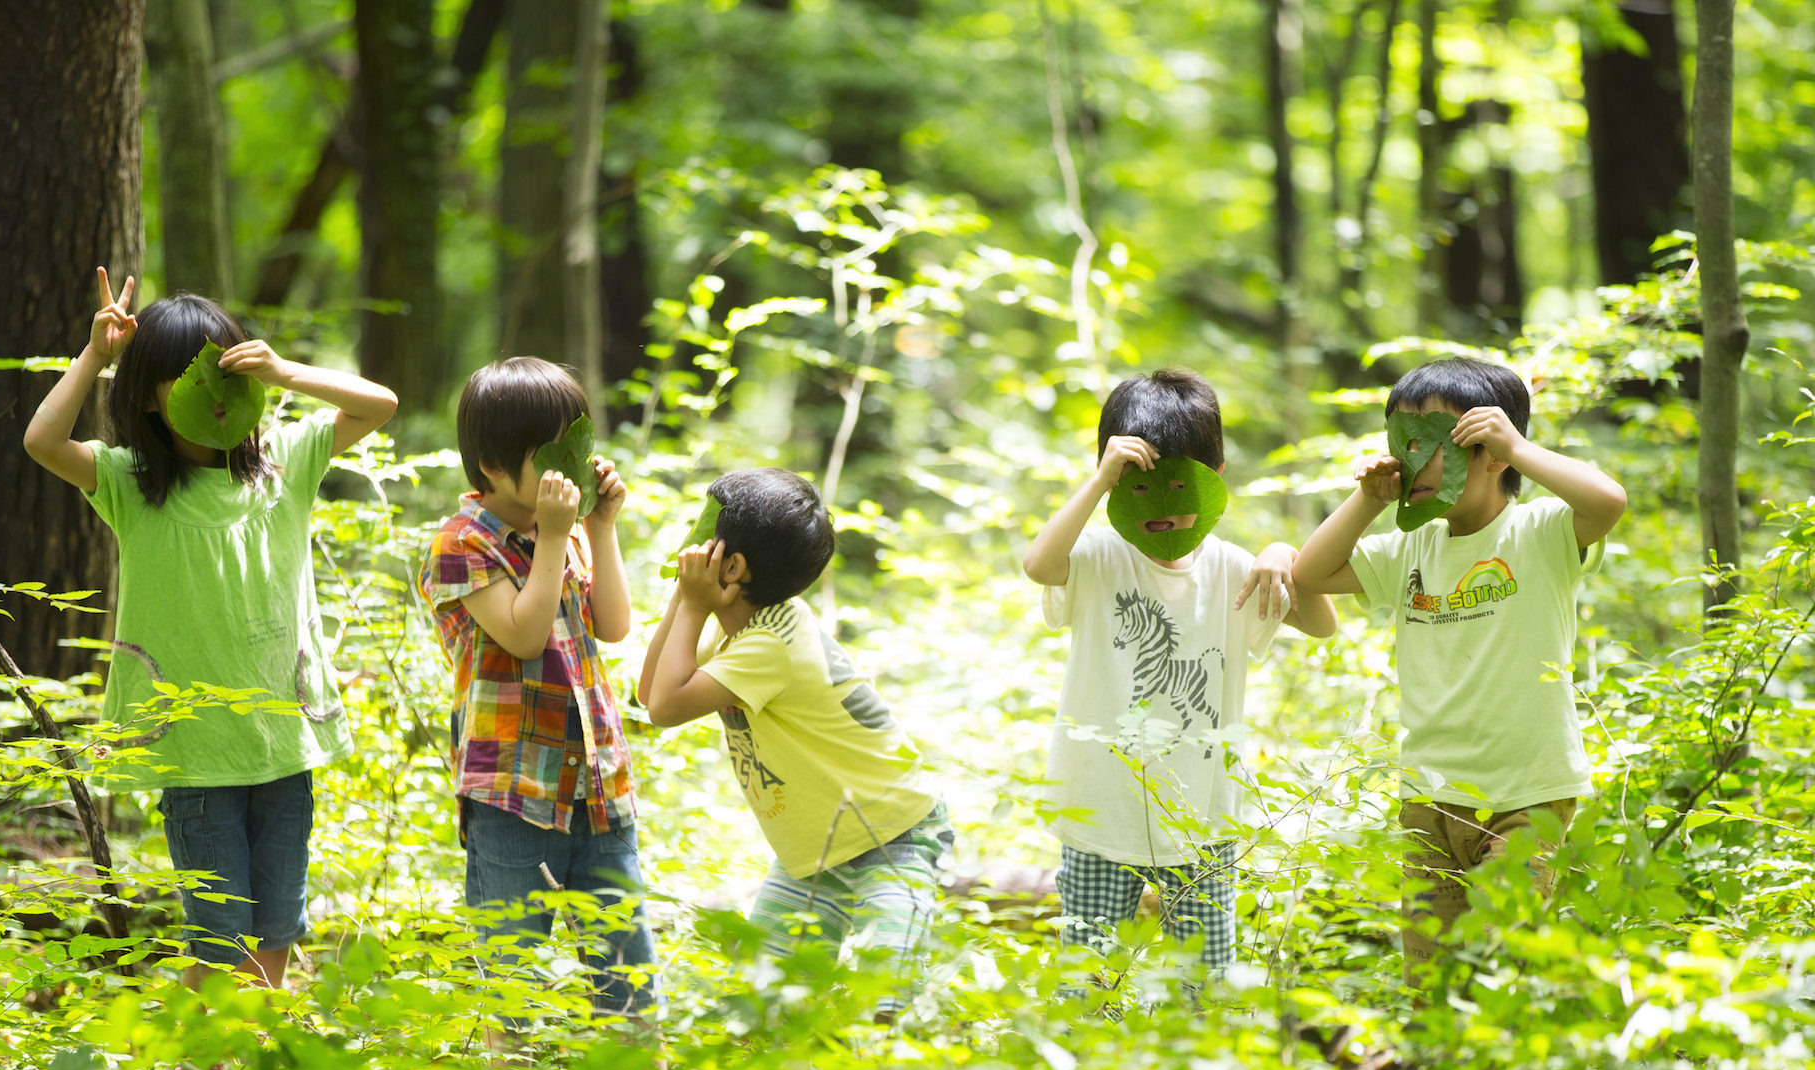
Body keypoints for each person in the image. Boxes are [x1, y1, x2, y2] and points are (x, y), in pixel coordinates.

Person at [23, 269, 398, 987]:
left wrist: (285, 370)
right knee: (217, 939)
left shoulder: (283, 464)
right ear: (149, 398)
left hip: (282, 745)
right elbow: (43, 440)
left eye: (225, 376)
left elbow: (380, 403)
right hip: (194, 756)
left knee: (278, 928)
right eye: (189, 380)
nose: (214, 397)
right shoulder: (130, 484)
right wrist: (95, 357)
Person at [1291, 356, 1626, 972]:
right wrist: (1367, 500)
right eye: (1401, 446)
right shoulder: (1411, 548)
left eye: (1432, 445)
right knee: (1432, 981)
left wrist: (1519, 447)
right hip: (1430, 798)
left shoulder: (1541, 532)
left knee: (1499, 964)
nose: (1413, 462)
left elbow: (1607, 500)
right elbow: (1308, 574)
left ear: (1489, 452)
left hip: (1529, 794)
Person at [1023, 369, 1336, 984]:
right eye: (1135, 486)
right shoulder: (1096, 558)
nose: (1160, 511)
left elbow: (1322, 624)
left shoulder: (1232, 569)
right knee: (1090, 978)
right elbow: (1040, 565)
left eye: (1177, 485)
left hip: (1202, 819)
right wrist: (1098, 482)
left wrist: (1282, 553)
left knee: (1206, 984)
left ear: (1213, 481)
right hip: (1099, 810)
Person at [638, 468, 952, 1016]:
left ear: (731, 566)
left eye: (702, 531)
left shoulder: (770, 645)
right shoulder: (745, 625)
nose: (690, 542)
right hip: (817, 849)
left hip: (893, 831)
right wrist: (686, 598)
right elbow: (652, 692)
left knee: (886, 1000)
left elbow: (664, 707)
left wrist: (692, 603)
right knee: (767, 1005)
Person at [417, 357, 655, 1020]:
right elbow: (523, 634)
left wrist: (598, 528)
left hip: (597, 786)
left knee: (627, 979)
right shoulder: (461, 543)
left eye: (575, 447)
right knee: (511, 985)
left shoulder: (569, 531)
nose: (568, 470)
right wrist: (554, 536)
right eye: (551, 453)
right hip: (512, 793)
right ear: (493, 466)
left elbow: (613, 624)